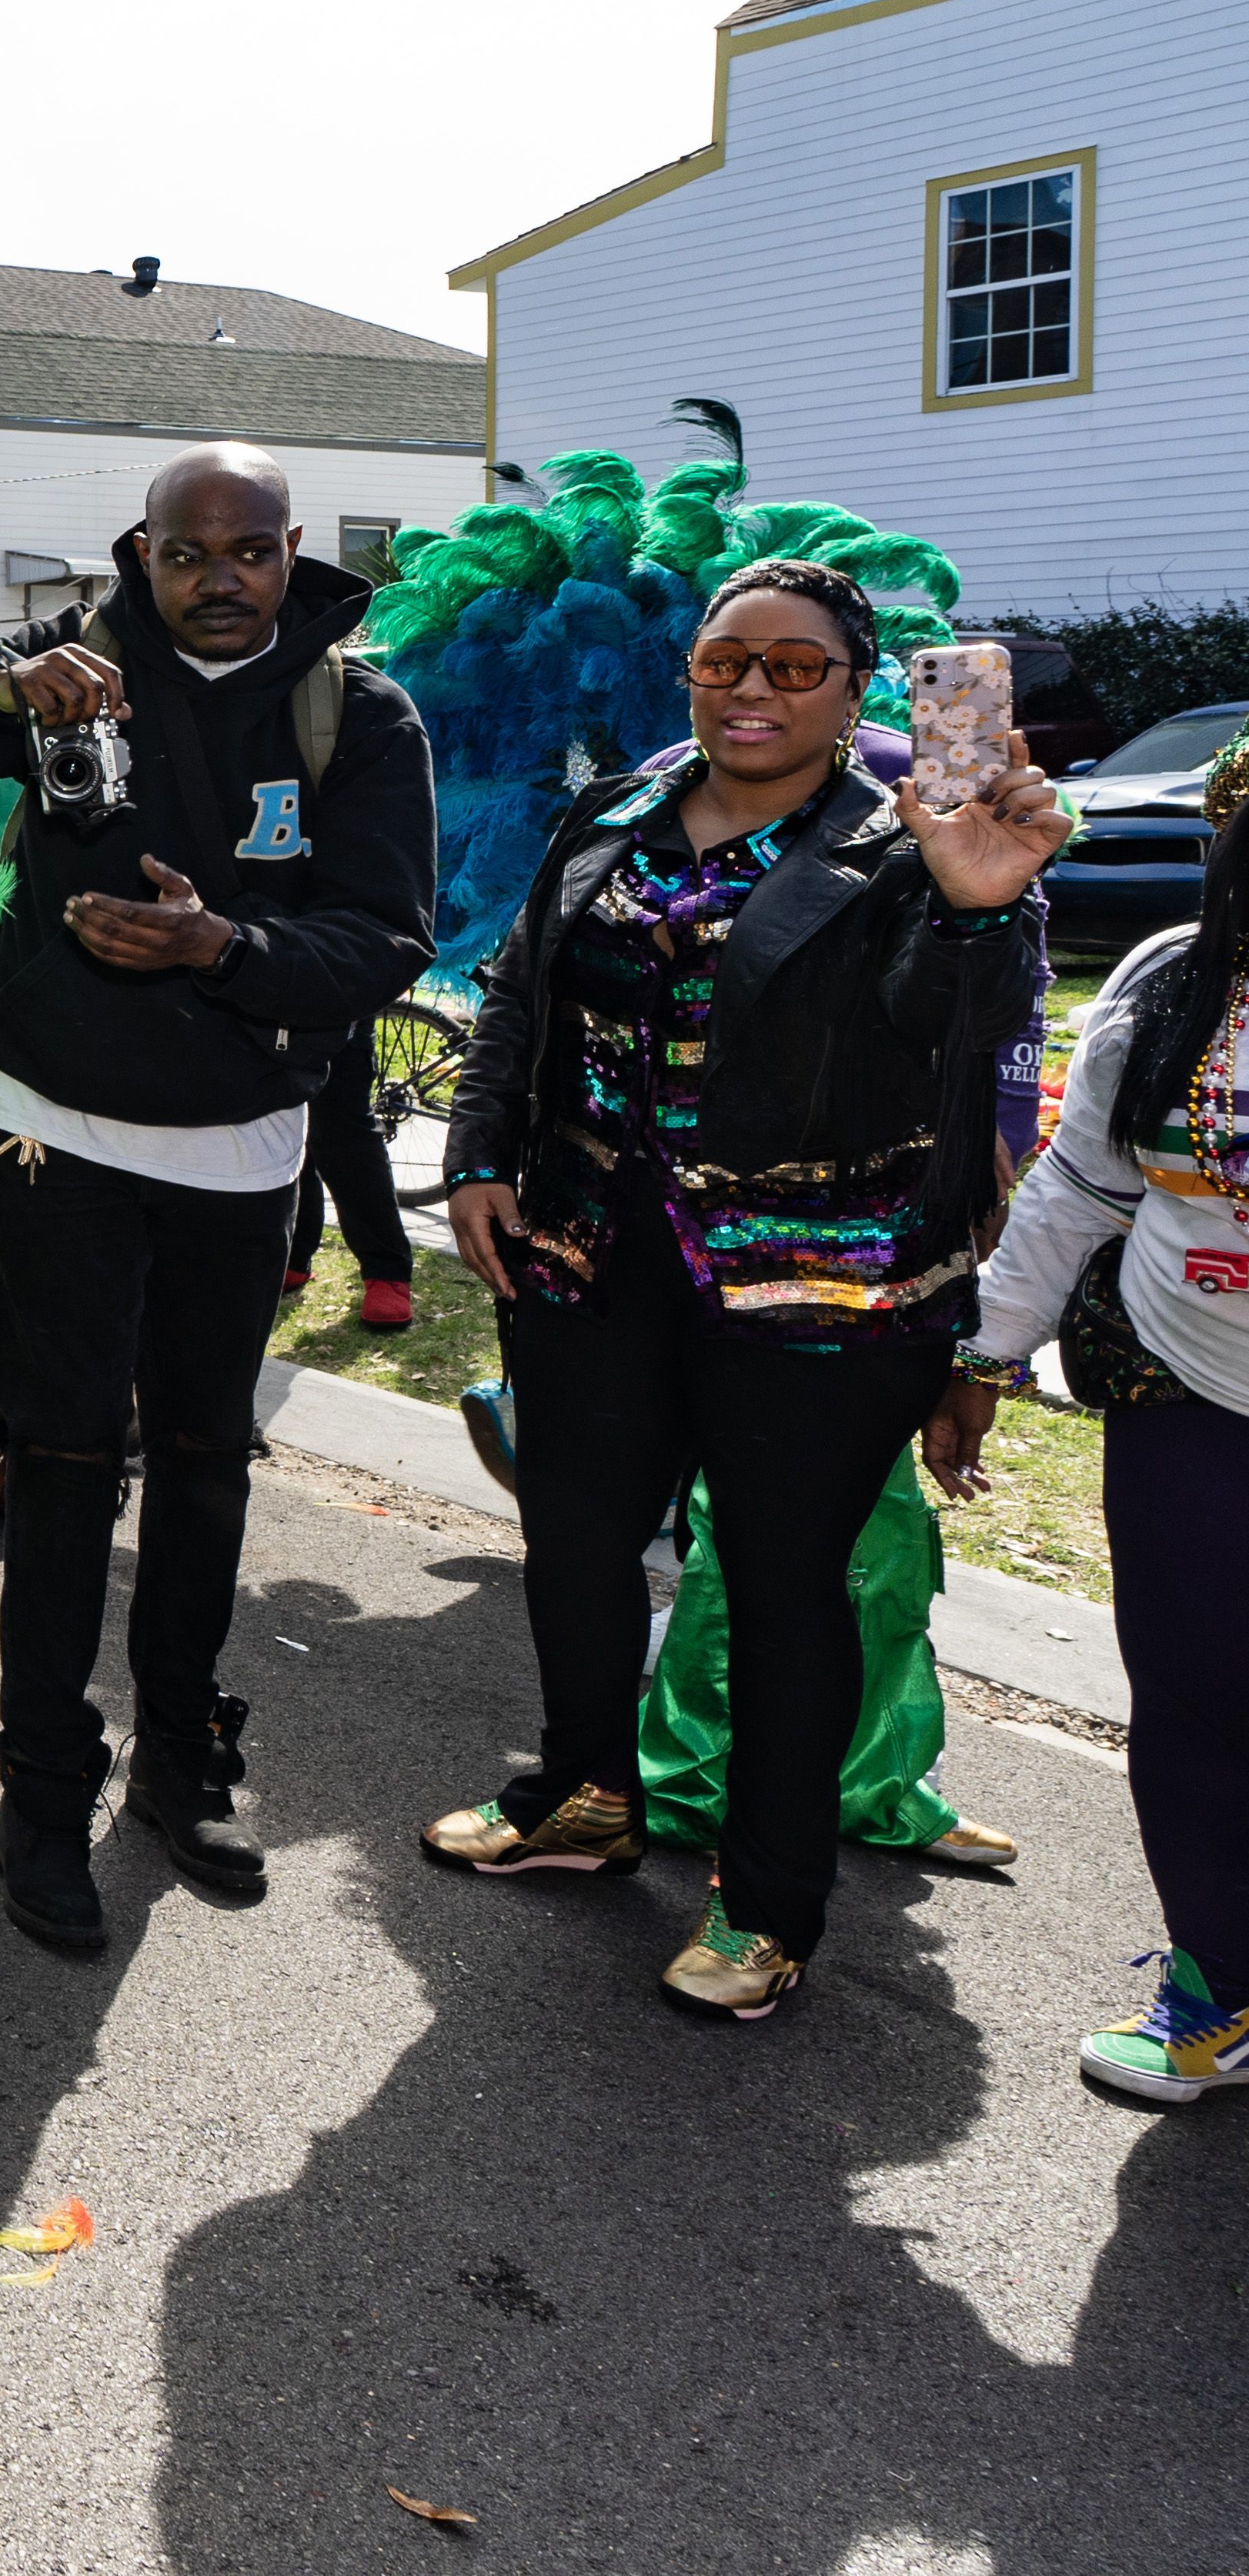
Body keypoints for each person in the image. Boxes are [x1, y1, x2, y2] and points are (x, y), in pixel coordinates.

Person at [430, 557, 1063, 2019]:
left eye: (795, 666)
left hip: (819, 1295)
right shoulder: (614, 815)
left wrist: (975, 906)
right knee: (576, 1545)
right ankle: (582, 1797)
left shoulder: (913, 843)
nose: (755, 690)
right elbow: (522, 989)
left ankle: (769, 1904)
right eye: (727, 663)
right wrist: (477, 1153)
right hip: (591, 1259)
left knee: (781, 1589)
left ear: (857, 692)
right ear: (691, 677)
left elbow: (955, 1034)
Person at [0, 444, 438, 1950]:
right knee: (54, 1458)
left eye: (247, 551)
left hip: (235, 1140)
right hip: (39, 1122)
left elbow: (383, 936)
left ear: (289, 549)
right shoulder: (54, 664)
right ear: (143, 549)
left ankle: (177, 1752)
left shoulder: (354, 713)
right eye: (187, 552)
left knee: (200, 1457)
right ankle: (39, 1790)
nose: (217, 578)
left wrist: (212, 953)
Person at [927, 722, 1249, 2099]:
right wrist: (984, 1360)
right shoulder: (1175, 988)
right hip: (1188, 1399)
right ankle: (1218, 1992)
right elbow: (1073, 1195)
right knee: (1191, 1699)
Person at [284, 1016, 417, 1329]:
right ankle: (291, 1253)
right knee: (278, 1116)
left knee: (342, 1128)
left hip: (338, 995)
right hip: (256, 993)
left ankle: (387, 1271)